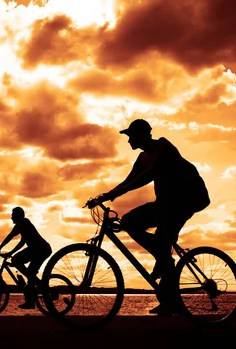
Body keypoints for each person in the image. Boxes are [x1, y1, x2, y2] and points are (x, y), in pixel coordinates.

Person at [87, 119, 210, 316]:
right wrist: (107, 195)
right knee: (129, 223)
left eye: (130, 136)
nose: (128, 141)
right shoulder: (142, 158)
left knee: (161, 244)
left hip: (188, 199)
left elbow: (148, 175)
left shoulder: (163, 146)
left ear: (143, 134)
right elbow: (129, 180)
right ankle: (164, 266)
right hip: (166, 203)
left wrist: (115, 194)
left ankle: (165, 268)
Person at [0, 207, 53, 309]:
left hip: (41, 249)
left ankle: (31, 299)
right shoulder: (20, 225)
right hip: (35, 249)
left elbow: (16, 240)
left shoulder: (24, 223)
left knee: (26, 269)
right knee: (18, 262)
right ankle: (35, 283)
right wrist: (2, 249)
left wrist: (4, 250)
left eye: (13, 215)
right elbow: (14, 238)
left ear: (18, 215)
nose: (11, 217)